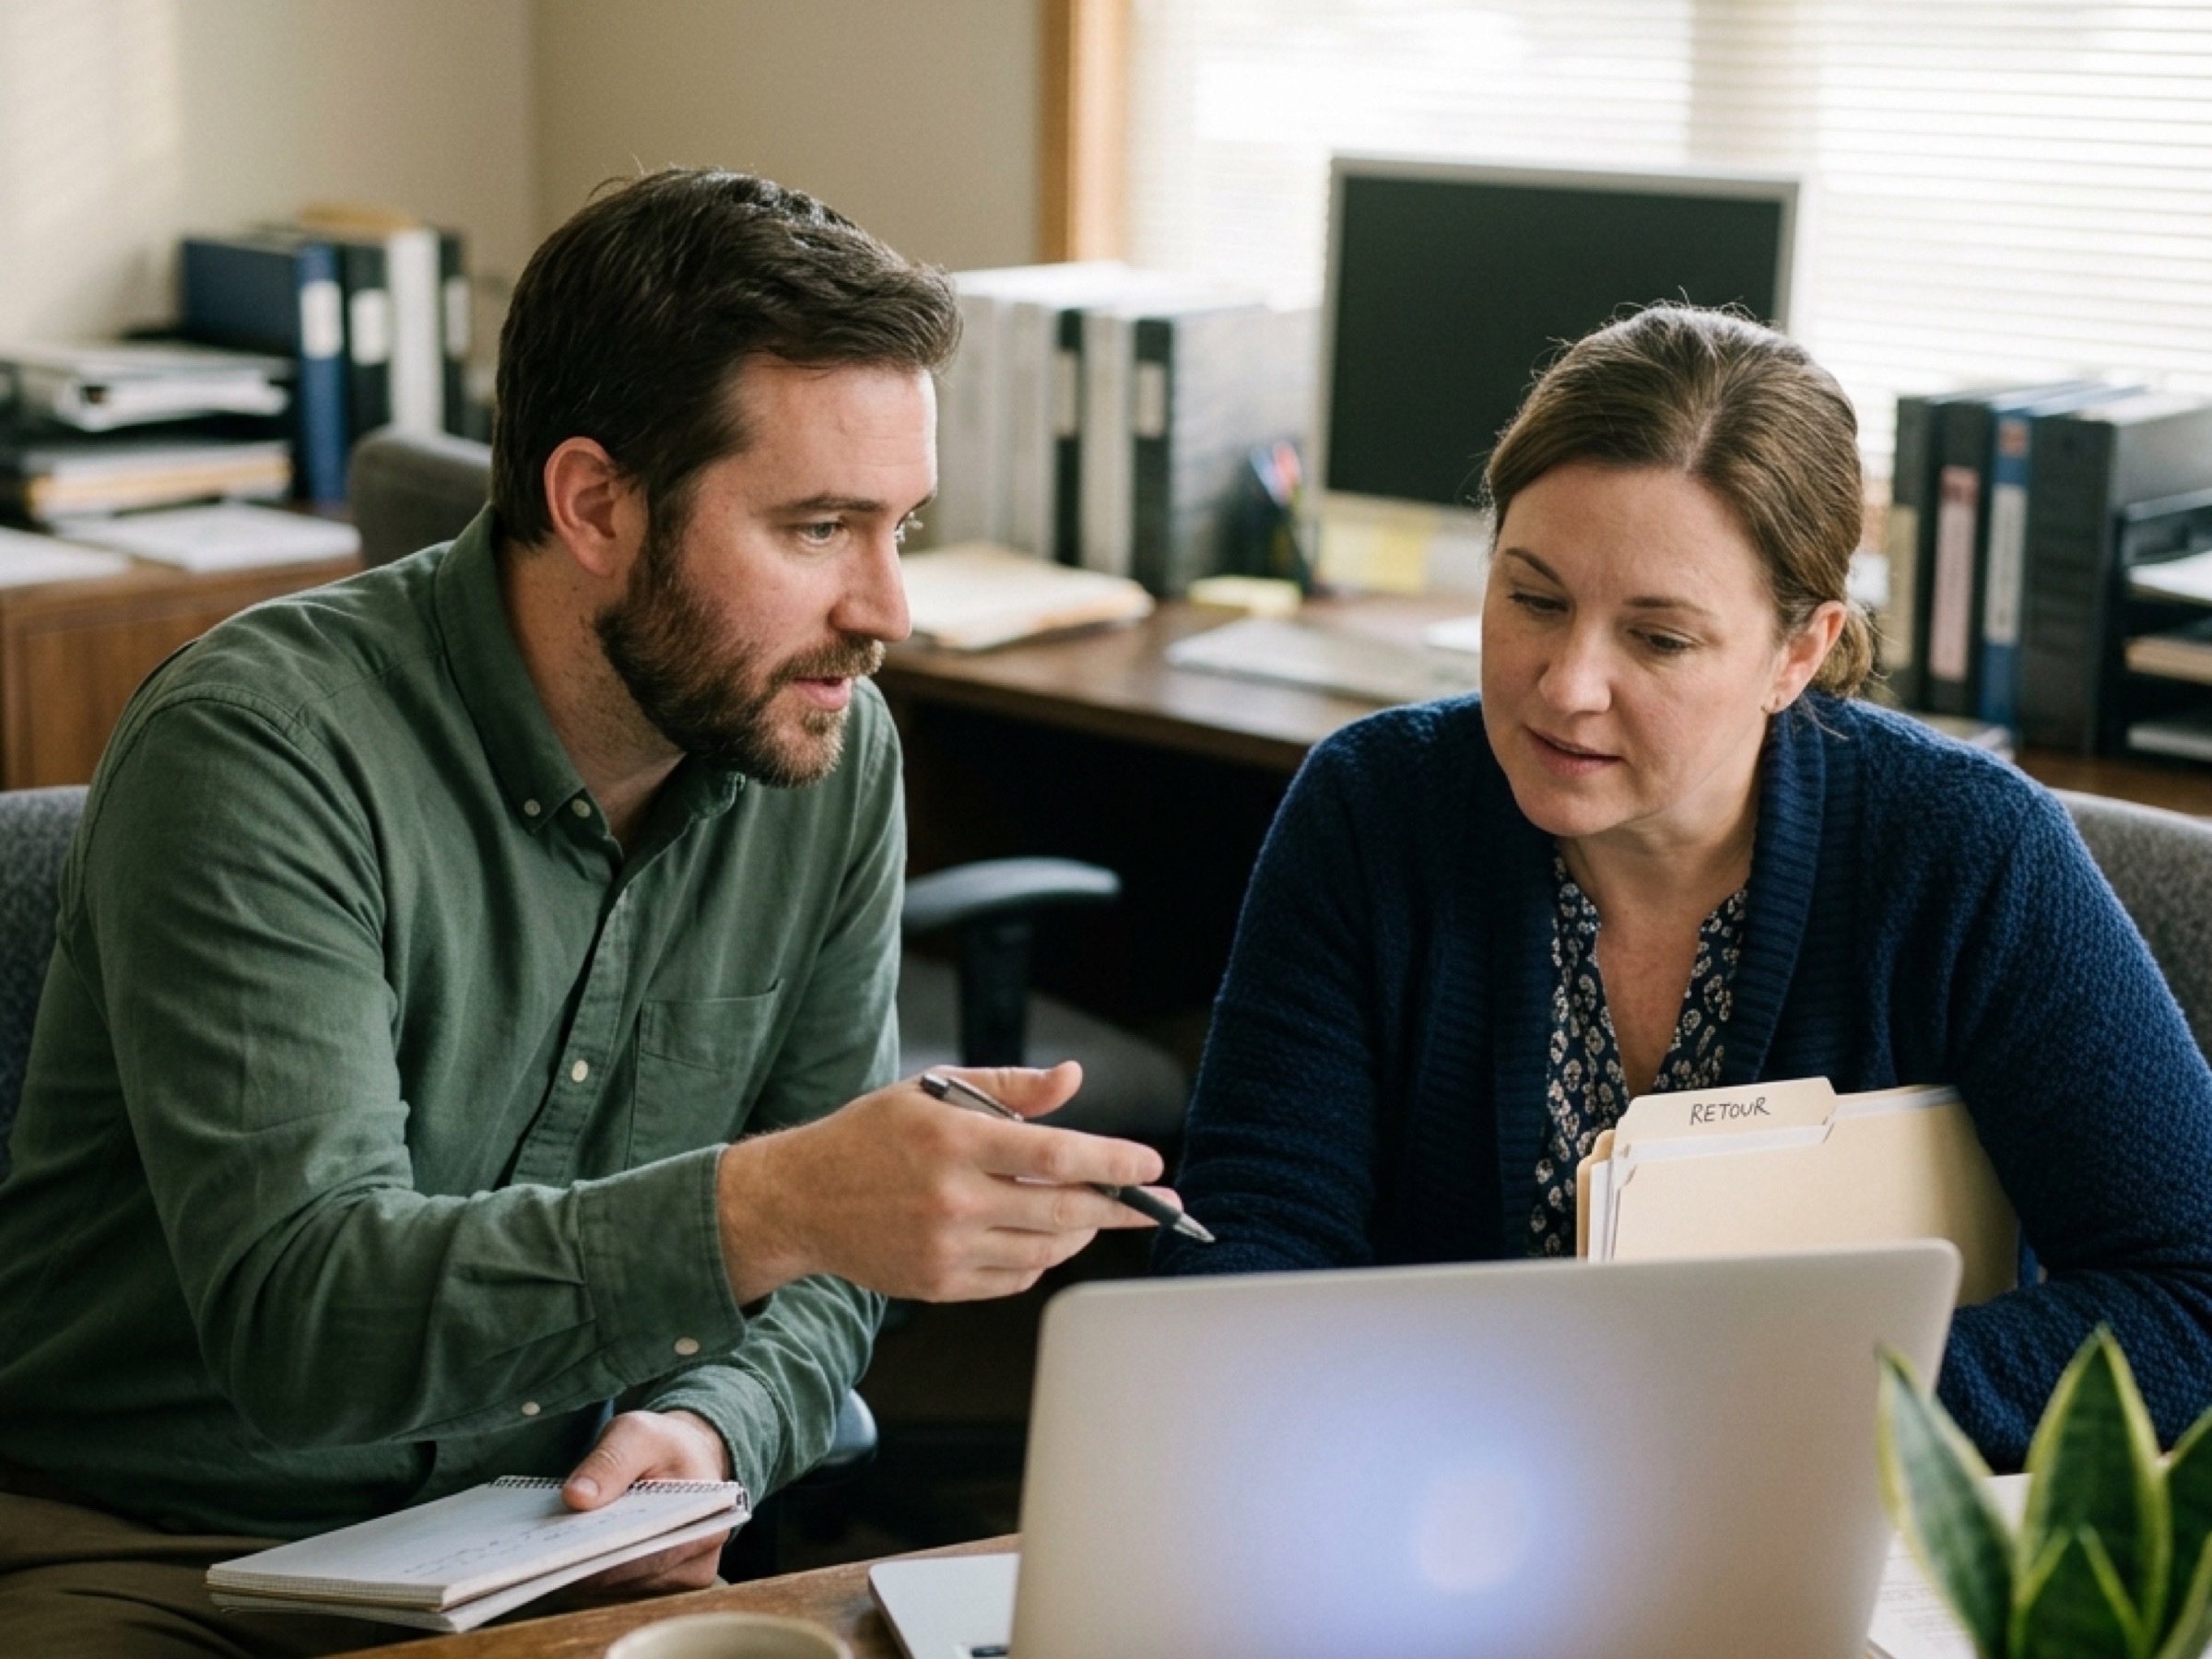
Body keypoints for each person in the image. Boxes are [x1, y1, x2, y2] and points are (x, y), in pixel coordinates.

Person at [0, 169, 1167, 1656]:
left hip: (551, 1538)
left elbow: (823, 1278)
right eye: (818, 528)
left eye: (902, 530)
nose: (887, 612)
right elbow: (306, 1330)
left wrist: (711, 1431)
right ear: (595, 506)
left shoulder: (823, 739)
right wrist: (779, 1203)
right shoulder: (263, 746)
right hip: (165, 1547)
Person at [1154, 303, 2212, 1469]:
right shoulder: (1374, 807)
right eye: (1535, 599)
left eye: (1658, 639)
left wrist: (1769, 1394)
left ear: (1798, 652)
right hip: (1438, 1495)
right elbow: (1246, 1244)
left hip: (1828, 1523)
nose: (1567, 687)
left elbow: (2191, 1297)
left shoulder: (1967, 853)